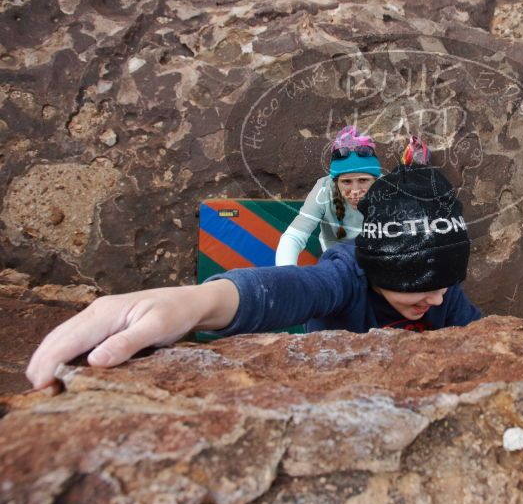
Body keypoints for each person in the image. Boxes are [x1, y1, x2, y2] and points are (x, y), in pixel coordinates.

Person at [26, 160, 482, 390]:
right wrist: (192, 304)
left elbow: (480, 335)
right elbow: (289, 290)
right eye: (419, 290)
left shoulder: (446, 296)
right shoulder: (347, 276)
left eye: (444, 286)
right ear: (379, 270)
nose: (438, 302)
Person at [275, 126, 381, 266]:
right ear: (335, 182)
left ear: (376, 179)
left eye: (363, 180)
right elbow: (294, 237)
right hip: (336, 259)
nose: (355, 190)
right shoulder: (324, 190)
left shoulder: (388, 189)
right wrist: (286, 275)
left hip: (375, 258)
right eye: (346, 182)